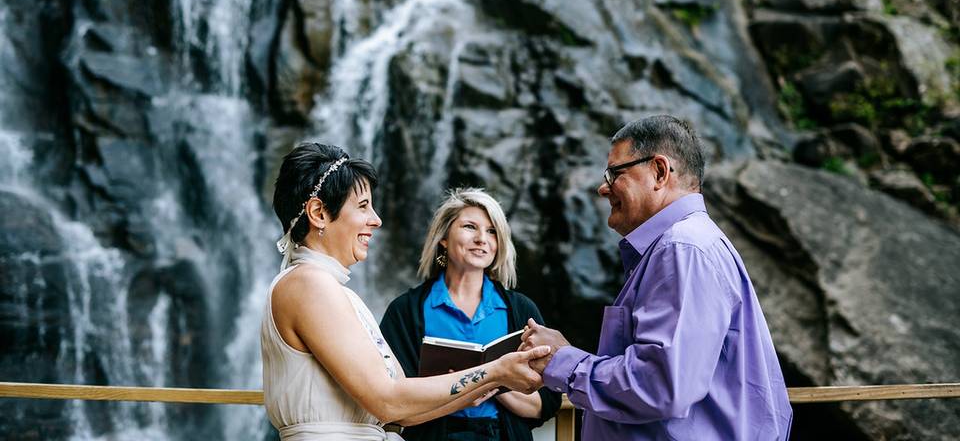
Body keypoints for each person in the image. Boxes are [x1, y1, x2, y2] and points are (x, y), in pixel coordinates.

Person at [521, 116, 793, 440]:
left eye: (615, 173)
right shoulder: (688, 244)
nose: (603, 187)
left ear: (660, 172)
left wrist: (562, 362)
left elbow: (661, 384)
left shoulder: (683, 248)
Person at [261, 144, 550, 440]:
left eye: (491, 231)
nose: (376, 219)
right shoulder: (310, 285)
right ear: (319, 213)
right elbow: (387, 401)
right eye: (363, 206)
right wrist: (496, 371)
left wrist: (480, 385)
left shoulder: (331, 288)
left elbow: (405, 413)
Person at [379, 188, 562, 441]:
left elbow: (546, 403)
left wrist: (493, 380)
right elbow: (396, 402)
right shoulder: (405, 311)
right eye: (469, 227)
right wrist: (486, 377)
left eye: (491, 231)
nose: (481, 239)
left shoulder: (521, 310)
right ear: (443, 237)